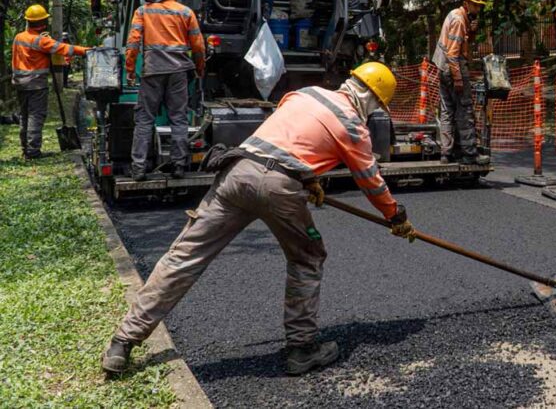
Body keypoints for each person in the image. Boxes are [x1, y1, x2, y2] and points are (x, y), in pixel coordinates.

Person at [101, 62, 415, 376]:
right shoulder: (353, 127)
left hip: (237, 172)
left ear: (351, 81)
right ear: (373, 101)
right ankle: (302, 349)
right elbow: (371, 182)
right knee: (307, 258)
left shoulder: (305, 94)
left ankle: (122, 341)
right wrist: (395, 216)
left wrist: (309, 179)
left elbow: (287, 135)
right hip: (280, 188)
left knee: (184, 256)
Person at [125, 0, 205, 181]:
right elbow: (198, 46)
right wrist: (199, 69)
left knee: (144, 120)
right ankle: (179, 166)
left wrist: (130, 69)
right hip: (178, 72)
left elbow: (133, 42)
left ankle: (139, 169)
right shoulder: (186, 12)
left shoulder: (143, 11)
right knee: (178, 119)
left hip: (152, 72)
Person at [11, 4, 90, 159]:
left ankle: (25, 148)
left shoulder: (19, 37)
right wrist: (88, 51)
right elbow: (65, 49)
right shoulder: (41, 41)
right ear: (43, 23)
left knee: (24, 115)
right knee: (36, 115)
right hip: (36, 84)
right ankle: (33, 151)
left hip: (20, 83)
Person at [432, 0, 489, 165]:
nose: (478, 8)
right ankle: (470, 154)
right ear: (466, 3)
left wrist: (472, 31)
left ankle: (446, 153)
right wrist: (457, 77)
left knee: (447, 110)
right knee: (465, 110)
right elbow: (453, 53)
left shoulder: (456, 15)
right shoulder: (458, 20)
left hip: (443, 68)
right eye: (475, 4)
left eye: (479, 5)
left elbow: (464, 43)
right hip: (453, 67)